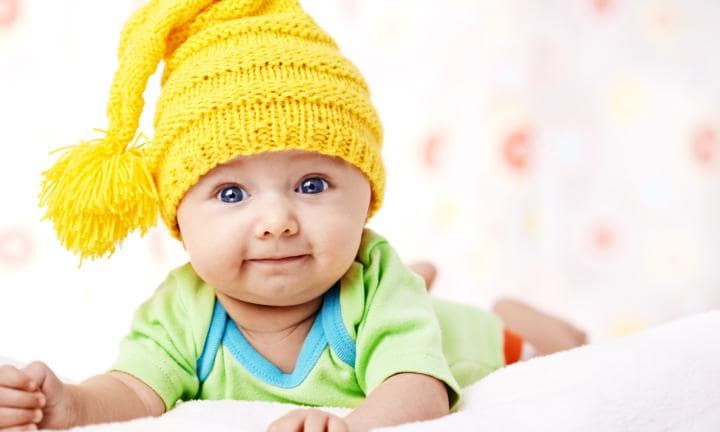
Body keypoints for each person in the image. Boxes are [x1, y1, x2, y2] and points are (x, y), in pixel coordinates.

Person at [0, 0, 585, 430]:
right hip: (401, 309)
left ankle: (516, 317)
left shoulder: (373, 281)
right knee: (411, 297)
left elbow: (418, 387)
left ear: (367, 200)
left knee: (547, 348)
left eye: (312, 184)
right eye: (232, 193)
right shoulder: (183, 310)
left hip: (474, 342)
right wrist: (71, 403)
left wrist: (352, 426)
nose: (276, 221)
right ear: (178, 217)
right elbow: (134, 389)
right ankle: (424, 278)